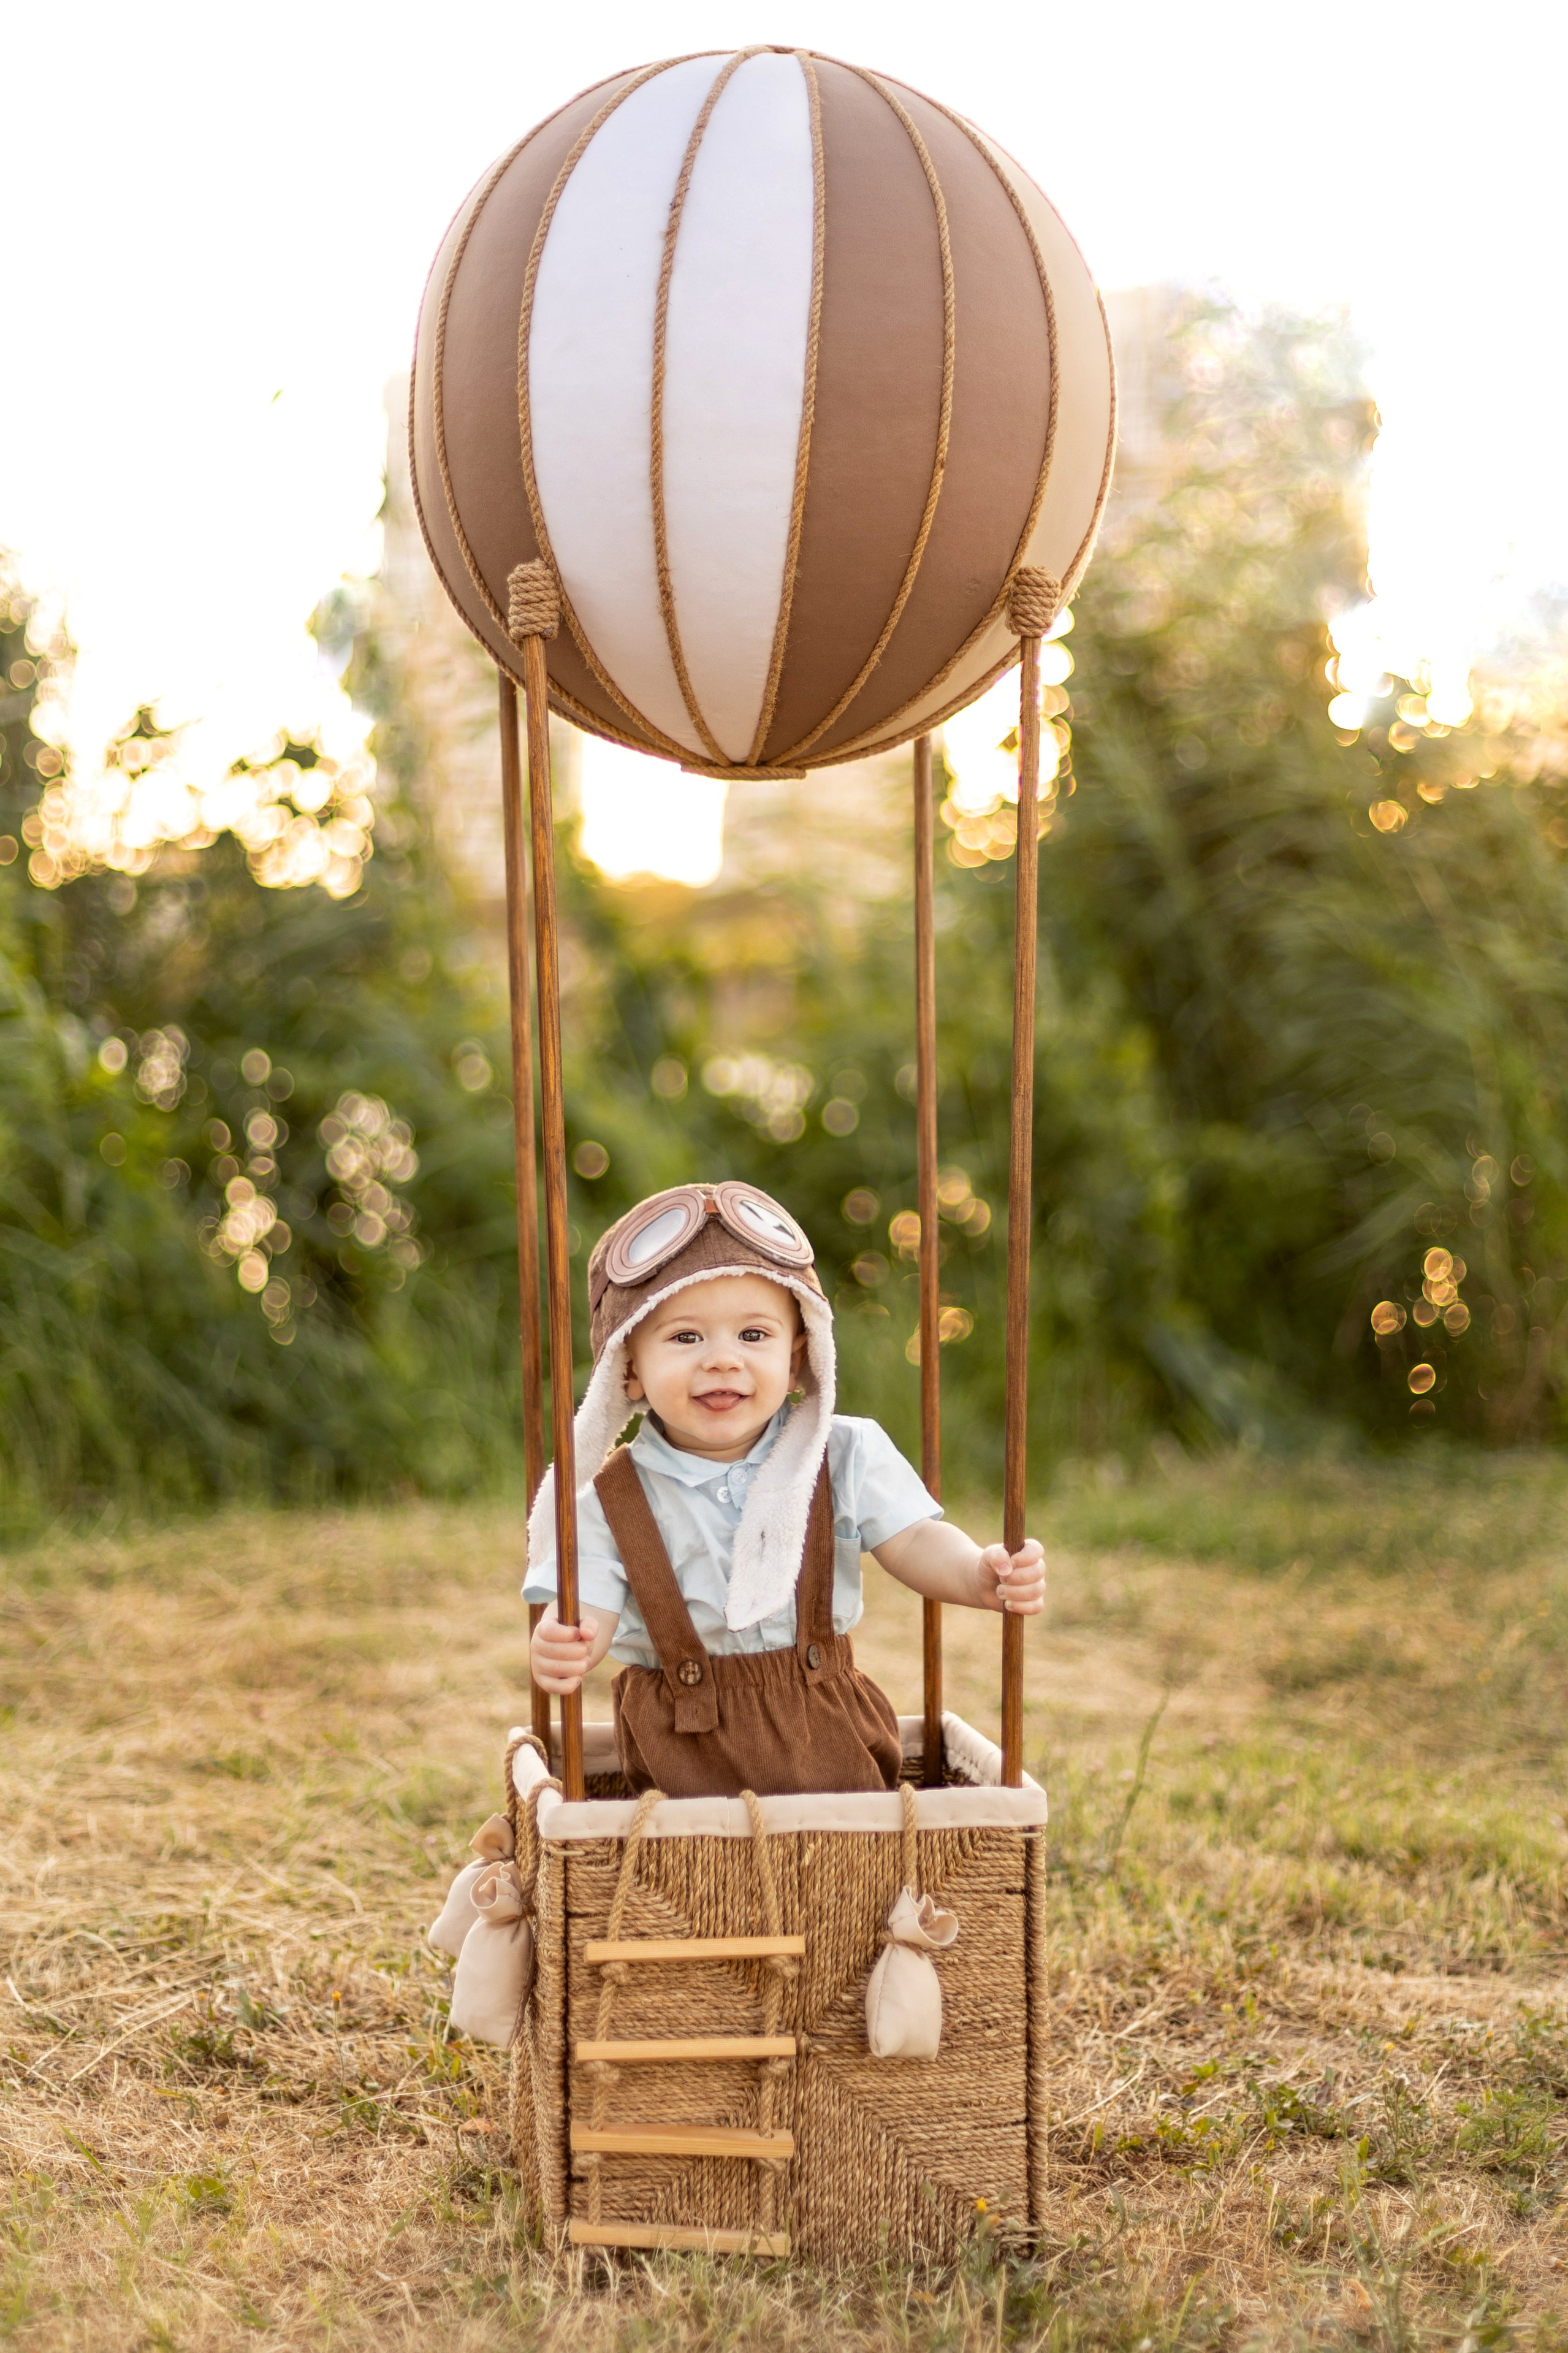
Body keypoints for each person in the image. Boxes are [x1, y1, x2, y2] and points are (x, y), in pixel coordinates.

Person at [523, 1181, 1045, 1796]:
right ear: (628, 1369)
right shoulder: (609, 1501)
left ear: (798, 1358)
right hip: (682, 1757)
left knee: (852, 1848)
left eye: (753, 1335)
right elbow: (590, 1605)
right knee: (696, 1856)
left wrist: (976, 1574)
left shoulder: (841, 1453)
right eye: (686, 1337)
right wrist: (568, 1638)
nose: (722, 1359)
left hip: (828, 1733)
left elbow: (912, 1540)